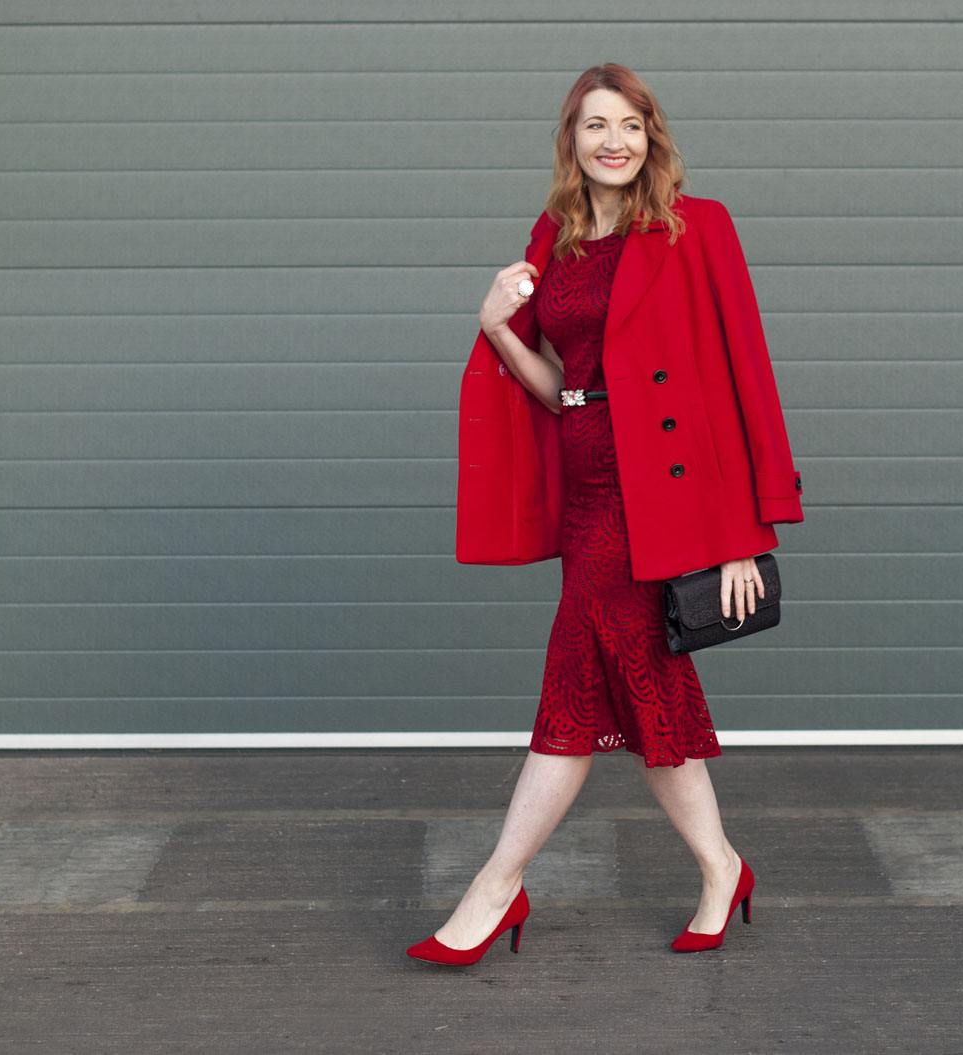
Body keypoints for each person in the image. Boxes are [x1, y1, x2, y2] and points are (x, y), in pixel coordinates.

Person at [407, 64, 804, 966]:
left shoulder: (698, 227)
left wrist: (745, 531)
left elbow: (746, 374)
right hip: (590, 490)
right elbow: (563, 391)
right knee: (644, 687)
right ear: (572, 140)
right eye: (595, 125)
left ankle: (496, 885)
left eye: (630, 123)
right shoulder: (556, 234)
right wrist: (501, 327)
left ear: (651, 136)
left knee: (576, 690)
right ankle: (721, 867)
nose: (613, 139)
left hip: (659, 495)